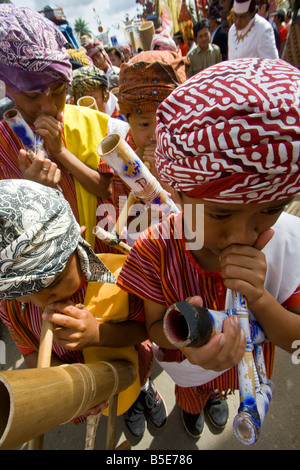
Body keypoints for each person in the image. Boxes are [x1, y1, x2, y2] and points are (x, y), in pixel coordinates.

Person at [117, 58, 300, 438]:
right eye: (219, 215)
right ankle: (195, 406)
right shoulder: (156, 249)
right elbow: (153, 326)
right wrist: (187, 339)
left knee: (223, 384)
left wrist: (261, 300)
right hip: (188, 369)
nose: (243, 235)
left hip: (246, 370)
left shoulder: (286, 242)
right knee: (194, 393)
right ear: (179, 193)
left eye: (269, 210)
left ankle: (216, 396)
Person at [0, 178, 166, 430]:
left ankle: (144, 391)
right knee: (117, 404)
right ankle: (129, 410)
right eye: (24, 294)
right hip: (89, 389)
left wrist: (97, 334)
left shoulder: (120, 275)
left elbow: (147, 329)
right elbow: (31, 353)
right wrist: (72, 391)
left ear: (76, 240)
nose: (42, 301)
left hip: (129, 358)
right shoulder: (11, 307)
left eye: (53, 282)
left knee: (135, 381)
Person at [0, 4, 123, 252]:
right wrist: (33, 192)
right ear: (9, 89)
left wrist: (60, 152)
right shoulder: (4, 145)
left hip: (105, 270)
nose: (47, 106)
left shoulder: (90, 123)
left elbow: (106, 189)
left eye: (57, 92)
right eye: (32, 96)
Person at [117, 50, 187, 213]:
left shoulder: (194, 156)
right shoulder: (125, 163)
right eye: (144, 124)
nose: (156, 136)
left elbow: (196, 222)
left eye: (166, 121)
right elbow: (129, 225)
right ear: (129, 124)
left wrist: (161, 183)